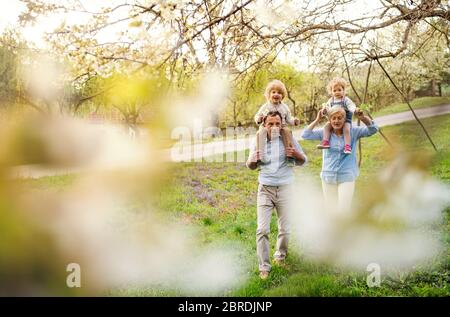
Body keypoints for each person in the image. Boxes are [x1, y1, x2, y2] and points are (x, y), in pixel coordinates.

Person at [247, 111, 307, 280]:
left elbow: (304, 161)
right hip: (265, 189)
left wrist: (296, 155)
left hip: (286, 188)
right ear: (264, 126)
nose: (274, 127)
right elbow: (250, 166)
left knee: (285, 228)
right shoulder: (259, 141)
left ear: (282, 125)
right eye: (270, 124)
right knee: (262, 229)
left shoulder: (288, 139)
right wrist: (253, 160)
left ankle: (280, 256)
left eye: (277, 124)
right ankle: (264, 266)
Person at [302, 107, 378, 214]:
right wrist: (317, 119)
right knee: (331, 211)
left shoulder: (353, 132)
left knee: (344, 210)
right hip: (328, 176)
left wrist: (363, 118)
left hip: (346, 176)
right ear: (329, 119)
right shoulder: (324, 133)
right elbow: (305, 135)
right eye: (333, 118)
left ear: (344, 119)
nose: (336, 121)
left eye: (339, 118)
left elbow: (373, 129)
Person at [254, 80, 300, 165]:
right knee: (259, 133)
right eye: (273, 92)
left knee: (287, 131)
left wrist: (294, 121)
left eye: (279, 92)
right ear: (269, 95)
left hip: (281, 127)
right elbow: (257, 116)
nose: (276, 94)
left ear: (282, 96)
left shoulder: (284, 107)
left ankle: (289, 155)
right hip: (267, 128)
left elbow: (289, 118)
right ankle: (259, 157)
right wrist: (259, 119)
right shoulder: (266, 106)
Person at [317, 77, 362, 154]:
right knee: (326, 127)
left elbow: (351, 106)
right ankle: (326, 142)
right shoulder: (331, 101)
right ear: (331, 92)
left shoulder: (345, 100)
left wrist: (355, 110)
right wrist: (324, 111)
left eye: (339, 90)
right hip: (334, 120)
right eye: (334, 90)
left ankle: (347, 146)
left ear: (343, 90)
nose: (337, 92)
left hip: (346, 120)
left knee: (346, 129)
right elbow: (328, 110)